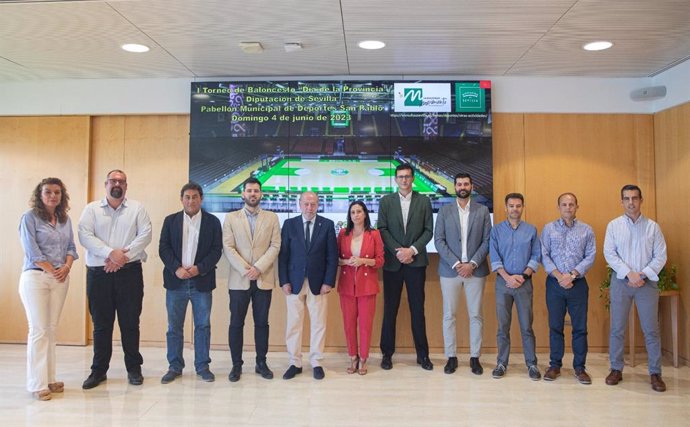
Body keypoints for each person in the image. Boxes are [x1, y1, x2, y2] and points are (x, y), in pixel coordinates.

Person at [78, 169, 152, 389]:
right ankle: (98, 371)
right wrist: (111, 253)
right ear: (106, 184)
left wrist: (122, 257)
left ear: (126, 186)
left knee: (130, 323)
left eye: (121, 181)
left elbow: (145, 235)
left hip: (129, 273)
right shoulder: (91, 209)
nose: (117, 184)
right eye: (113, 180)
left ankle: (134, 369)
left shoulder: (137, 208)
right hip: (99, 275)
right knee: (101, 325)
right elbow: (84, 235)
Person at [18, 178, 78, 401]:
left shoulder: (64, 219)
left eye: (57, 192)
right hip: (36, 277)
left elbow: (72, 247)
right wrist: (53, 270)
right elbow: (32, 252)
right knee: (39, 330)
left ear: (62, 196)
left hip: (60, 278)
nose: (53, 196)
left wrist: (67, 266)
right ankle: (37, 384)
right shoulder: (29, 218)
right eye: (48, 192)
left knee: (51, 330)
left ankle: (50, 379)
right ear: (40, 194)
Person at [603, 184, 667, 392]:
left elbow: (660, 256)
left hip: (646, 283)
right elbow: (609, 254)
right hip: (621, 282)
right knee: (617, 328)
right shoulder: (613, 226)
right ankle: (616, 369)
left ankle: (655, 373)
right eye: (627, 199)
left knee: (651, 330)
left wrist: (642, 274)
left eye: (635, 198)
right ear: (621, 201)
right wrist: (629, 273)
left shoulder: (653, 227)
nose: (631, 202)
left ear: (641, 200)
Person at [159, 182, 223, 384]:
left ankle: (202, 366)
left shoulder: (212, 222)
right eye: (187, 197)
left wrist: (199, 268)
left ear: (201, 199)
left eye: (195, 197)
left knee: (203, 325)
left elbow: (216, 250)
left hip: (201, 282)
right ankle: (175, 366)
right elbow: (164, 248)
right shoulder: (170, 221)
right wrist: (176, 268)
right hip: (175, 282)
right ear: (181, 199)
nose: (191, 200)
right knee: (174, 327)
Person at [223, 178, 281, 382]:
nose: (253, 194)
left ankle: (261, 363)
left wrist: (258, 268)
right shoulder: (231, 218)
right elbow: (228, 247)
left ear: (261, 194)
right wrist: (247, 269)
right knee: (236, 323)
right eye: (249, 191)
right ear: (243, 194)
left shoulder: (272, 218)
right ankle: (236, 365)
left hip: (263, 279)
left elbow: (275, 246)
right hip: (239, 280)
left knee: (262, 324)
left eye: (256, 191)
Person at [434, 173, 491, 375]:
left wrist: (472, 263)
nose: (462, 186)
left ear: (471, 186)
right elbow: (439, 240)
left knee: (476, 314)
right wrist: (458, 263)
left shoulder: (483, 211)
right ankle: (451, 357)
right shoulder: (444, 211)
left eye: (466, 183)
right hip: (450, 271)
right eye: (459, 184)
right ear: (455, 187)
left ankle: (475, 357)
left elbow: (487, 241)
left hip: (476, 271)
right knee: (449, 315)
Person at [378, 163, 434, 371]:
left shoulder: (424, 201)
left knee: (417, 310)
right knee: (389, 310)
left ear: (413, 179)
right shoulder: (386, 201)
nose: (404, 180)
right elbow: (382, 229)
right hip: (393, 264)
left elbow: (429, 231)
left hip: (416, 263)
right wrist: (398, 251)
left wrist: (412, 250)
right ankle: (386, 354)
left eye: (408, 177)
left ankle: (423, 355)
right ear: (395, 179)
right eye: (400, 177)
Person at [278, 191, 338, 380]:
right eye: (306, 204)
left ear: (318, 205)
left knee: (318, 324)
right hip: (294, 283)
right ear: (300, 204)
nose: (309, 208)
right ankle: (294, 362)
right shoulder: (289, 224)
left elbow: (332, 256)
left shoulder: (327, 225)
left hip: (318, 284)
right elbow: (283, 256)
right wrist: (284, 281)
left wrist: (328, 282)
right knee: (294, 324)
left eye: (313, 204)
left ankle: (316, 362)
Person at [541, 193, 596, 384]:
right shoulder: (548, 229)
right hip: (554, 284)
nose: (568, 207)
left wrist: (572, 275)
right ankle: (555, 365)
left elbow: (590, 256)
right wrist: (559, 276)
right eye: (564, 204)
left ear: (577, 207)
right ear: (558, 207)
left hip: (578, 284)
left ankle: (580, 368)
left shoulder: (586, 230)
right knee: (555, 326)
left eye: (571, 204)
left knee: (580, 328)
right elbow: (544, 254)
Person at [489, 193, 541, 380]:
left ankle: (532, 364)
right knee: (503, 326)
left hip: (524, 284)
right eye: (511, 206)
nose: (515, 209)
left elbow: (536, 256)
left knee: (527, 326)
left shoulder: (531, 230)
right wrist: (507, 277)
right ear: (506, 208)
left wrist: (522, 276)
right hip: (503, 284)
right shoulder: (496, 231)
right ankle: (501, 363)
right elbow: (494, 257)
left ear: (522, 207)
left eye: (518, 206)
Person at [337, 201, 384, 375]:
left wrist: (363, 261)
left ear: (365, 214)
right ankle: (352, 356)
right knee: (349, 324)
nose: (355, 215)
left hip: (367, 286)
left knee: (365, 324)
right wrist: (345, 262)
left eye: (359, 211)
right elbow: (335, 258)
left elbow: (380, 261)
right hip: (347, 285)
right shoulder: (343, 233)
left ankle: (363, 358)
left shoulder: (374, 234)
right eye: (352, 212)